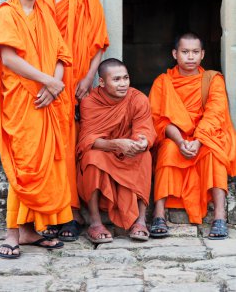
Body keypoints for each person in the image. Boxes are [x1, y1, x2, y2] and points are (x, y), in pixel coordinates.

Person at [0, 0, 73, 258]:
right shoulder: (7, 14)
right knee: (23, 167)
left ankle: (27, 231)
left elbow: (62, 55)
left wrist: (54, 85)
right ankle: (11, 233)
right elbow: (9, 58)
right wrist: (47, 82)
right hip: (21, 102)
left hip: (45, 99)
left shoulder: (44, 13)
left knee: (46, 164)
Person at [40, 0, 109, 240]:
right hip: (48, 85)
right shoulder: (42, 1)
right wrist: (45, 82)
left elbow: (99, 42)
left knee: (75, 148)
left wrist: (89, 77)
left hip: (79, 83)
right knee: (53, 150)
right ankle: (54, 210)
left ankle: (73, 210)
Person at [149, 32, 236, 240]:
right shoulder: (163, 82)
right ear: (174, 54)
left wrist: (197, 141)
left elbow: (215, 114)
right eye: (185, 52)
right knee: (167, 149)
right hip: (176, 138)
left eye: (195, 52)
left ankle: (219, 217)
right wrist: (180, 142)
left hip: (204, 137)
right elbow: (159, 120)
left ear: (203, 55)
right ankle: (159, 214)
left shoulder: (212, 80)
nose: (190, 57)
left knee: (214, 152)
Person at [76, 58, 157, 243]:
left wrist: (142, 142)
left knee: (145, 155)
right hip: (105, 152)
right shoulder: (89, 102)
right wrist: (116, 144)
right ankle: (95, 223)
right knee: (90, 158)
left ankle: (140, 220)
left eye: (126, 78)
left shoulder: (138, 99)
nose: (123, 84)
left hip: (128, 152)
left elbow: (144, 129)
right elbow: (87, 140)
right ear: (102, 82)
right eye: (117, 80)